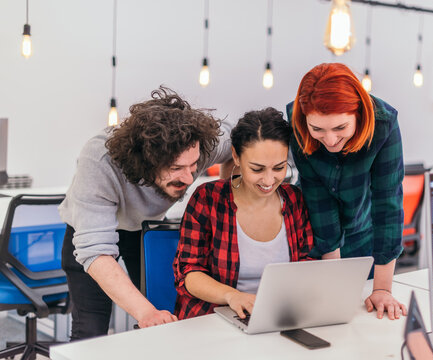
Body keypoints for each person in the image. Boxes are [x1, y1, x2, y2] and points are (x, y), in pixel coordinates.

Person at [59, 86, 234, 340]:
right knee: (90, 330)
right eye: (176, 168)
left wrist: (229, 197)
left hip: (143, 230)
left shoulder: (202, 146)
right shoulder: (100, 160)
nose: (189, 177)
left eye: (194, 165)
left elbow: (241, 138)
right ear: (146, 161)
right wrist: (145, 313)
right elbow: (95, 251)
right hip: (89, 235)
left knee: (168, 311)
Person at [287, 63, 407, 320]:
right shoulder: (296, 119)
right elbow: (317, 198)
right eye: (317, 129)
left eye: (340, 128)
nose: (329, 140)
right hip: (313, 237)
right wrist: (335, 282)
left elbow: (388, 203)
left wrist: (383, 289)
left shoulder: (383, 124)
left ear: (359, 113)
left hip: (364, 236)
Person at [173, 107, 313, 320]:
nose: (268, 181)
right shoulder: (208, 198)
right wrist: (232, 296)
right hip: (213, 318)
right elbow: (189, 273)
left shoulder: (294, 199)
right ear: (236, 157)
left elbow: (306, 261)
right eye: (257, 169)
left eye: (279, 168)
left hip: (278, 317)